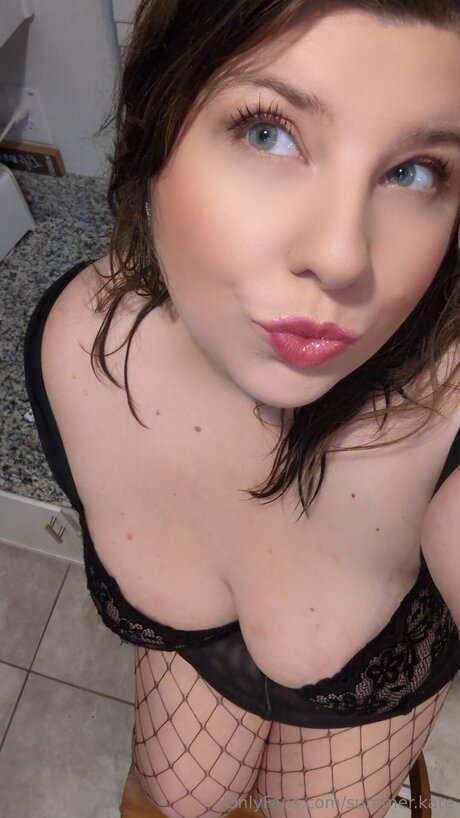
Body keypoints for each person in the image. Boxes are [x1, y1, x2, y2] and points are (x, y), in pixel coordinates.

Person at [23, 1, 460, 816]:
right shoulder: (79, 345)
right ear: (157, 120)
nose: (340, 256)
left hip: (366, 699)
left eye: (415, 171)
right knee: (181, 792)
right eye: (268, 132)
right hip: (197, 678)